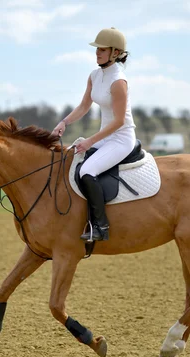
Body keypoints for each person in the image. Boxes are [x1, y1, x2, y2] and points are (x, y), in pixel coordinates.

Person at [51, 27, 136, 242]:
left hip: (121, 138)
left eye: (102, 49)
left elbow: (118, 121)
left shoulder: (118, 81)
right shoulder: (95, 75)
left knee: (87, 171)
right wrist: (64, 122)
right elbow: (84, 106)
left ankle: (101, 225)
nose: (97, 53)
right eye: (97, 49)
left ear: (115, 53)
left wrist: (90, 141)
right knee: (70, 160)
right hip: (105, 137)